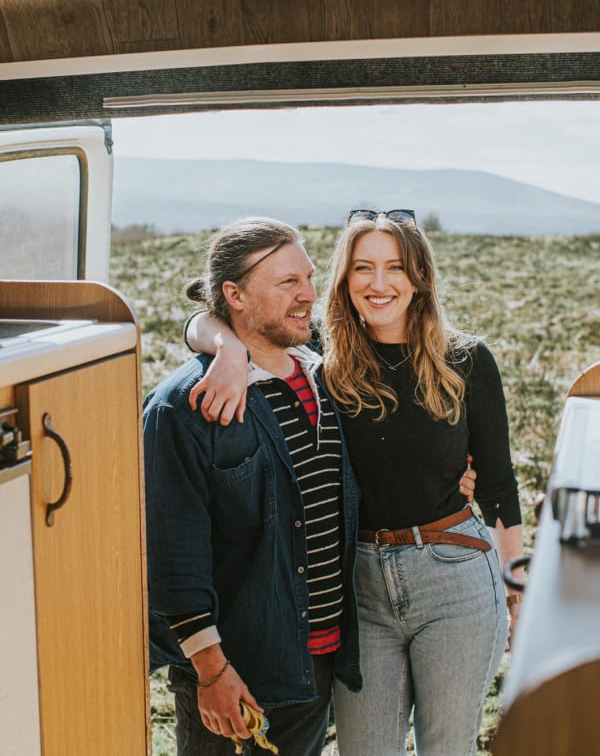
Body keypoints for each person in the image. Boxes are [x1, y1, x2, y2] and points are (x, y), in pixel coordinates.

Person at [185, 210, 524, 756]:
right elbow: (206, 319)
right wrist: (228, 350)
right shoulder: (323, 352)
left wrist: (516, 591)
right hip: (358, 586)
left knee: (446, 748)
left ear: (419, 278)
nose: (379, 283)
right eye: (362, 267)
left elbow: (501, 485)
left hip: (454, 574)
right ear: (345, 279)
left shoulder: (466, 360)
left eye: (395, 267)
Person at [143, 217, 364, 756]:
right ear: (234, 295)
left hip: (317, 662)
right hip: (237, 673)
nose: (308, 294)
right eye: (287, 282)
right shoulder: (184, 407)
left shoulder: (327, 379)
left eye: (308, 278)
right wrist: (211, 671)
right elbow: (174, 552)